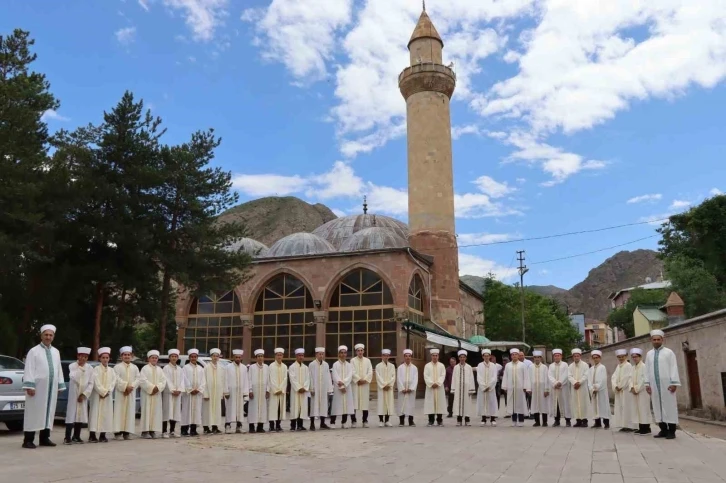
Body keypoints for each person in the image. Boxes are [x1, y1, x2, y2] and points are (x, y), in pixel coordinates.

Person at [22, 324, 66, 449]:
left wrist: (59, 386)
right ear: (41, 336)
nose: (48, 337)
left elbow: (59, 370)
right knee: (34, 413)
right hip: (37, 388)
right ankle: (28, 440)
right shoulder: (34, 351)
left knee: (48, 412)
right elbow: (29, 369)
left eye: (50, 335)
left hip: (50, 389)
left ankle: (44, 438)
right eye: (46, 335)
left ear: (53, 337)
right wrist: (30, 386)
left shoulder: (56, 352)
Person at [645, 329, 681, 439]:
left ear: (662, 340)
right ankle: (663, 430)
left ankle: (672, 431)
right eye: (654, 339)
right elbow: (646, 369)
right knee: (657, 407)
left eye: (658, 339)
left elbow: (673, 367)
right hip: (654, 386)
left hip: (667, 385)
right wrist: (647, 384)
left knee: (669, 407)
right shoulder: (649, 354)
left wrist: (674, 383)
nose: (656, 341)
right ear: (651, 340)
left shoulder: (669, 352)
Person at [64, 347, 94, 445]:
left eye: (85, 357)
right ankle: (67, 437)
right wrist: (80, 367)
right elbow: (74, 377)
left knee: (80, 415)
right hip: (74, 394)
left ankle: (76, 436)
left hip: (83, 395)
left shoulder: (90, 368)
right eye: (81, 356)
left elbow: (91, 383)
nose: (83, 359)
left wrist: (84, 394)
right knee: (71, 414)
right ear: (78, 356)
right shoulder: (72, 366)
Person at [89, 347, 116, 443]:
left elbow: (113, 382)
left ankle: (102, 435)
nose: (105, 359)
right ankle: (92, 435)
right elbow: (95, 382)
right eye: (103, 357)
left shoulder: (112, 371)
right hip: (97, 396)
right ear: (100, 358)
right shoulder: (96, 369)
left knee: (106, 414)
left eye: (107, 357)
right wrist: (102, 392)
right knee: (95, 414)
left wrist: (108, 391)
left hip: (107, 396)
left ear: (109, 358)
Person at [139, 350, 167, 439]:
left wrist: (157, 388)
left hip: (156, 394)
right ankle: (145, 431)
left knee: (155, 412)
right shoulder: (145, 368)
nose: (154, 359)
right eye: (152, 358)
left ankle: (152, 430)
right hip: (147, 394)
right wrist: (152, 388)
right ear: (149, 359)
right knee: (146, 412)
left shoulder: (160, 370)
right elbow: (143, 380)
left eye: (156, 358)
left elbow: (163, 381)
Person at [113, 346, 139, 440]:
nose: (127, 356)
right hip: (121, 393)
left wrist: (131, 387)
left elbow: (138, 379)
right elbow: (116, 379)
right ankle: (118, 432)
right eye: (125, 355)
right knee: (119, 412)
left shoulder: (135, 367)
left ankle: (126, 432)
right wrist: (125, 387)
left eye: (128, 355)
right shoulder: (117, 367)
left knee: (129, 412)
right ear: (121, 356)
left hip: (131, 393)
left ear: (131, 356)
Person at [503, 348, 531, 427]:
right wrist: (505, 386)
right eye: (512, 355)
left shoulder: (522, 365)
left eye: (515, 354)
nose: (514, 356)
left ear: (518, 356)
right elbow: (505, 376)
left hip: (520, 388)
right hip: (511, 388)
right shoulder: (508, 365)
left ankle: (521, 420)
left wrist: (526, 387)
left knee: (520, 404)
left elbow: (526, 377)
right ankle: (514, 420)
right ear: (511, 356)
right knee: (512, 404)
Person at [203, 348, 228, 435]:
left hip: (217, 392)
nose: (215, 357)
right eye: (214, 356)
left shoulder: (221, 368)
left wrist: (224, 392)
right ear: (211, 357)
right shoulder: (206, 367)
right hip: (209, 392)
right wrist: (205, 393)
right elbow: (204, 381)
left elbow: (223, 380)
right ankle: (206, 427)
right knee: (207, 410)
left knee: (217, 410)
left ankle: (215, 427)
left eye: (217, 356)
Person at [181, 348, 205, 437]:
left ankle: (193, 429)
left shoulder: (200, 369)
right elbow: (184, 379)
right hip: (188, 394)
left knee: (196, 411)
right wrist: (190, 389)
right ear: (189, 357)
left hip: (197, 394)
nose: (193, 358)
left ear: (197, 357)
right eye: (192, 357)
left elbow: (203, 381)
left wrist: (199, 389)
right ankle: (184, 429)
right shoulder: (185, 368)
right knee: (187, 411)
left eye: (195, 357)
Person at [162, 348, 185, 438]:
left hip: (177, 393)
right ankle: (164, 431)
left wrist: (179, 389)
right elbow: (166, 379)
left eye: (175, 356)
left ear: (177, 358)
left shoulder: (180, 369)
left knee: (175, 412)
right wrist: (172, 389)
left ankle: (172, 430)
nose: (174, 358)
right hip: (169, 393)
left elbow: (182, 380)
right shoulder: (166, 368)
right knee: (167, 411)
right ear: (169, 358)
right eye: (172, 356)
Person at [611, 348, 636, 432]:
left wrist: (620, 386)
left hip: (625, 391)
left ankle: (630, 426)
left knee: (627, 407)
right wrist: (615, 386)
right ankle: (624, 425)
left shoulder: (628, 365)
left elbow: (628, 377)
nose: (621, 358)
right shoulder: (618, 366)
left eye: (622, 357)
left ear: (626, 356)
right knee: (621, 408)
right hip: (619, 391)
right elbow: (613, 377)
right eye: (619, 357)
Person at [308, 347, 332, 431]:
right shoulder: (312, 364)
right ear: (316, 355)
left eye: (322, 354)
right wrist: (311, 388)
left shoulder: (326, 364)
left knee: (323, 405)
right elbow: (310, 377)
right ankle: (312, 423)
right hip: (315, 388)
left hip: (323, 388)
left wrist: (329, 389)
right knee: (314, 406)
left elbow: (328, 376)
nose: (321, 356)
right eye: (319, 354)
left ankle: (322, 423)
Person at [225, 349, 249, 434]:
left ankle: (239, 426)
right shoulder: (228, 367)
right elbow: (225, 379)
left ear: (241, 358)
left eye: (239, 357)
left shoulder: (244, 368)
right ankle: (228, 426)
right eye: (236, 357)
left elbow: (246, 380)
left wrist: (245, 393)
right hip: (231, 392)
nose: (238, 359)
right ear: (233, 357)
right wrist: (226, 391)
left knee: (240, 409)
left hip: (240, 392)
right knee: (230, 409)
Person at [629, 348, 652, 435]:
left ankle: (646, 428)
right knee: (637, 409)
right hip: (635, 392)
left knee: (644, 409)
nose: (635, 358)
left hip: (642, 392)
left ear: (640, 357)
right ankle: (640, 427)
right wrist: (631, 387)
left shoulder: (644, 366)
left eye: (636, 357)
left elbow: (644, 379)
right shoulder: (632, 367)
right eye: (633, 357)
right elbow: (630, 378)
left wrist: (637, 388)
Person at [331, 345, 354, 429]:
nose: (343, 354)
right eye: (341, 353)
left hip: (347, 387)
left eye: (345, 353)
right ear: (339, 354)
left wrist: (344, 383)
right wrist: (340, 385)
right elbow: (335, 376)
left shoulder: (349, 365)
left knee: (346, 405)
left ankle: (344, 422)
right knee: (336, 405)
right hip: (338, 388)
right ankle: (332, 422)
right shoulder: (335, 364)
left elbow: (350, 375)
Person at [548, 349, 571, 427]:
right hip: (554, 388)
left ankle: (568, 420)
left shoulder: (565, 365)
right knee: (555, 404)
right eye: (555, 356)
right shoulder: (551, 366)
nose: (557, 357)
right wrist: (555, 383)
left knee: (565, 403)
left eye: (558, 355)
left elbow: (566, 375)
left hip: (563, 388)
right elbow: (549, 376)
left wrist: (560, 382)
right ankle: (556, 420)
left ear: (561, 356)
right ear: (553, 357)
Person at [351, 343, 373, 428]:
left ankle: (365, 420)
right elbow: (352, 372)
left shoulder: (367, 361)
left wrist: (364, 380)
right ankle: (353, 421)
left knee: (365, 403)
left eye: (361, 350)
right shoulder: (352, 360)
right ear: (356, 352)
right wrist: (358, 379)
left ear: (363, 351)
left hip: (364, 385)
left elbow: (370, 372)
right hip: (356, 385)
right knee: (354, 403)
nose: (360, 352)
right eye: (358, 351)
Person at [247, 349, 269, 433]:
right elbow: (249, 379)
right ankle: (251, 427)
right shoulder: (252, 367)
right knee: (253, 408)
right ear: (256, 358)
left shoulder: (266, 367)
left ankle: (260, 426)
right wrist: (250, 390)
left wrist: (267, 390)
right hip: (254, 390)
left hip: (263, 390)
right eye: (259, 356)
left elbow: (268, 380)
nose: (260, 358)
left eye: (262, 356)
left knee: (262, 409)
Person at [452, 350, 475, 426]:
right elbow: (454, 378)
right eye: (461, 357)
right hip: (458, 389)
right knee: (458, 404)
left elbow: (471, 378)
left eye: (463, 357)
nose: (462, 359)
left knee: (467, 404)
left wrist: (471, 388)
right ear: (459, 358)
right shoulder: (456, 367)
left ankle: (467, 420)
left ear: (466, 358)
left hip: (467, 389)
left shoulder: (469, 367)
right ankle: (459, 420)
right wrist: (453, 388)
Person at [288, 348, 310, 431]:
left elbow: (308, 379)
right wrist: (299, 388)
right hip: (295, 391)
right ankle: (293, 425)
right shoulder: (292, 367)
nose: (301, 357)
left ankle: (300, 425)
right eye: (299, 355)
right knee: (294, 407)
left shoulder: (305, 368)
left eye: (302, 355)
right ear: (296, 356)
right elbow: (292, 379)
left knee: (302, 407)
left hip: (303, 391)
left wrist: (304, 387)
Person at [588, 350, 610, 429]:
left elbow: (603, 379)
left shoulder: (602, 367)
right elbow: (589, 380)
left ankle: (606, 423)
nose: (595, 359)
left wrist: (597, 387)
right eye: (594, 358)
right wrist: (591, 388)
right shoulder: (591, 369)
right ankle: (597, 423)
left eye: (597, 358)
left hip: (601, 390)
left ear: (600, 358)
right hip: (593, 391)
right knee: (595, 407)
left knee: (603, 406)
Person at [423, 349, 446, 427]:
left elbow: (443, 375)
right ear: (431, 356)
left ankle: (439, 421)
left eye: (436, 355)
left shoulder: (441, 365)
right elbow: (426, 376)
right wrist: (431, 383)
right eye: (433, 355)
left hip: (439, 387)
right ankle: (431, 421)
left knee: (440, 403)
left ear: (438, 356)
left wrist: (438, 383)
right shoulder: (427, 366)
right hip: (431, 388)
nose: (435, 357)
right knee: (430, 404)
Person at [476, 349, 498, 426]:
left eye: (487, 356)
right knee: (482, 403)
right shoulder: (480, 365)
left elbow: (494, 377)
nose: (486, 357)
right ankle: (483, 418)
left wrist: (489, 386)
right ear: (482, 357)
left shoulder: (493, 366)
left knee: (492, 402)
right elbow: (479, 377)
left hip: (491, 388)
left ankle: (493, 419)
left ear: (490, 356)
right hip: (482, 388)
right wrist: (483, 386)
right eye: (485, 356)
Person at [268, 347, 288, 432]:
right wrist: (276, 389)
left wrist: (281, 389)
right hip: (274, 391)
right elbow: (271, 379)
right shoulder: (271, 366)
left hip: (281, 391)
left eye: (281, 355)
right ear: (275, 356)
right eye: (278, 355)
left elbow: (285, 379)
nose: (279, 357)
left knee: (280, 408)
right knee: (273, 408)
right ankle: (271, 426)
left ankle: (278, 425)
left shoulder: (284, 366)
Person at [568, 348, 589, 427]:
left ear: (580, 356)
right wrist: (574, 382)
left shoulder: (585, 365)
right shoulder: (570, 366)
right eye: (574, 356)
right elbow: (569, 376)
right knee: (575, 403)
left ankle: (585, 421)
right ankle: (578, 421)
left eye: (577, 356)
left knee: (583, 403)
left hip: (582, 387)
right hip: (574, 387)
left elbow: (586, 375)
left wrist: (579, 382)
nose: (576, 357)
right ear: (573, 357)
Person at [375, 349, 396, 427]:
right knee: (381, 403)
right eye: (384, 355)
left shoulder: (392, 366)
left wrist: (389, 385)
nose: (386, 357)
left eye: (387, 356)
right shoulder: (378, 366)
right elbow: (378, 377)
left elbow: (393, 377)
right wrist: (384, 385)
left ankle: (387, 420)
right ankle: (381, 420)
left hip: (389, 388)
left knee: (389, 403)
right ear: (382, 356)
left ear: (389, 356)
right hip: (382, 388)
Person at [397, 349, 418, 427]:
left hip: (410, 390)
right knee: (401, 405)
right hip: (402, 390)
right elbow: (398, 378)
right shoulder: (400, 368)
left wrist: (411, 388)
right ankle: (401, 421)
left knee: (410, 405)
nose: (407, 358)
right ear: (404, 357)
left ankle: (411, 421)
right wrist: (402, 388)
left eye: (409, 356)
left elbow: (415, 379)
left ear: (411, 357)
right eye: (406, 356)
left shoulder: (414, 368)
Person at [529, 351, 550, 427]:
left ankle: (545, 422)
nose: (537, 359)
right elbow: (528, 378)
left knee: (544, 405)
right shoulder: (531, 367)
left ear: (541, 358)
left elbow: (547, 379)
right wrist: (529, 388)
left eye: (538, 357)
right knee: (535, 405)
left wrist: (546, 390)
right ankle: (537, 421)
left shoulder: (544, 367)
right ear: (533, 358)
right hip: (534, 388)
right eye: (535, 357)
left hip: (542, 389)